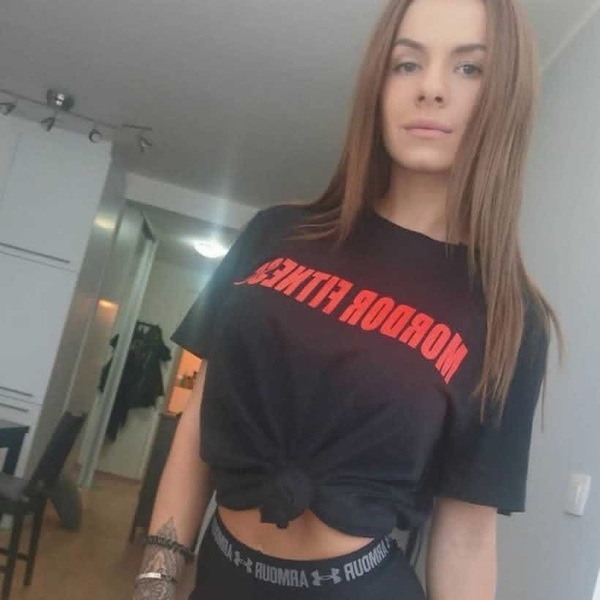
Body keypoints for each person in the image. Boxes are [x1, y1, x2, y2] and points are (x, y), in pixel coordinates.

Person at [132, 0, 562, 598]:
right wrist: (156, 580)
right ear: (378, 86)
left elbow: (466, 535)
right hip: (221, 571)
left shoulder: (510, 317)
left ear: (506, 97)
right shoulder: (275, 233)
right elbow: (199, 420)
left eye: (470, 68)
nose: (431, 88)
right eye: (406, 63)